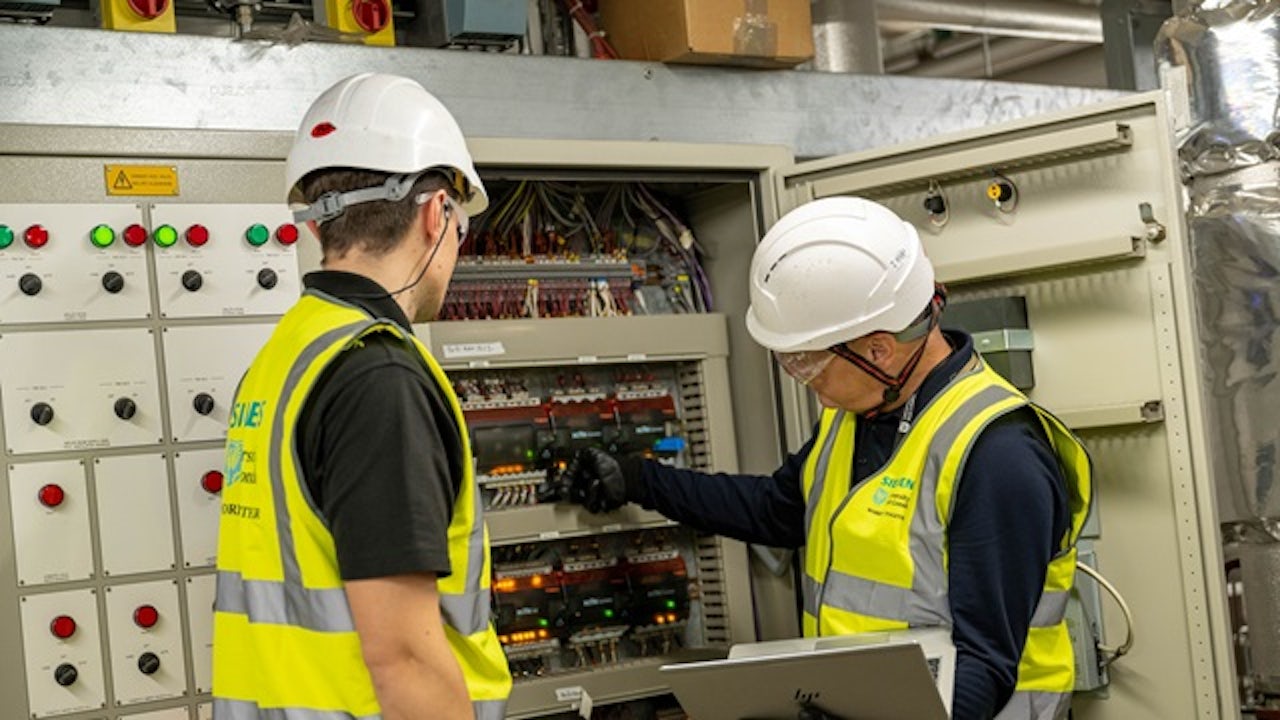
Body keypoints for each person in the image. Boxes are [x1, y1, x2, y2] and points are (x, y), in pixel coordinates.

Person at [562, 197, 1092, 720]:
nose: (807, 383)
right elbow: (777, 510)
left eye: (809, 364)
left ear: (879, 348)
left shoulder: (998, 453)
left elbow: (985, 668)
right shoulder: (856, 415)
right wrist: (640, 479)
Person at [212, 73, 511, 720]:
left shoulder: (287, 355)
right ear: (436, 214)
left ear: (321, 225)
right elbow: (402, 655)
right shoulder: (378, 378)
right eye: (459, 224)